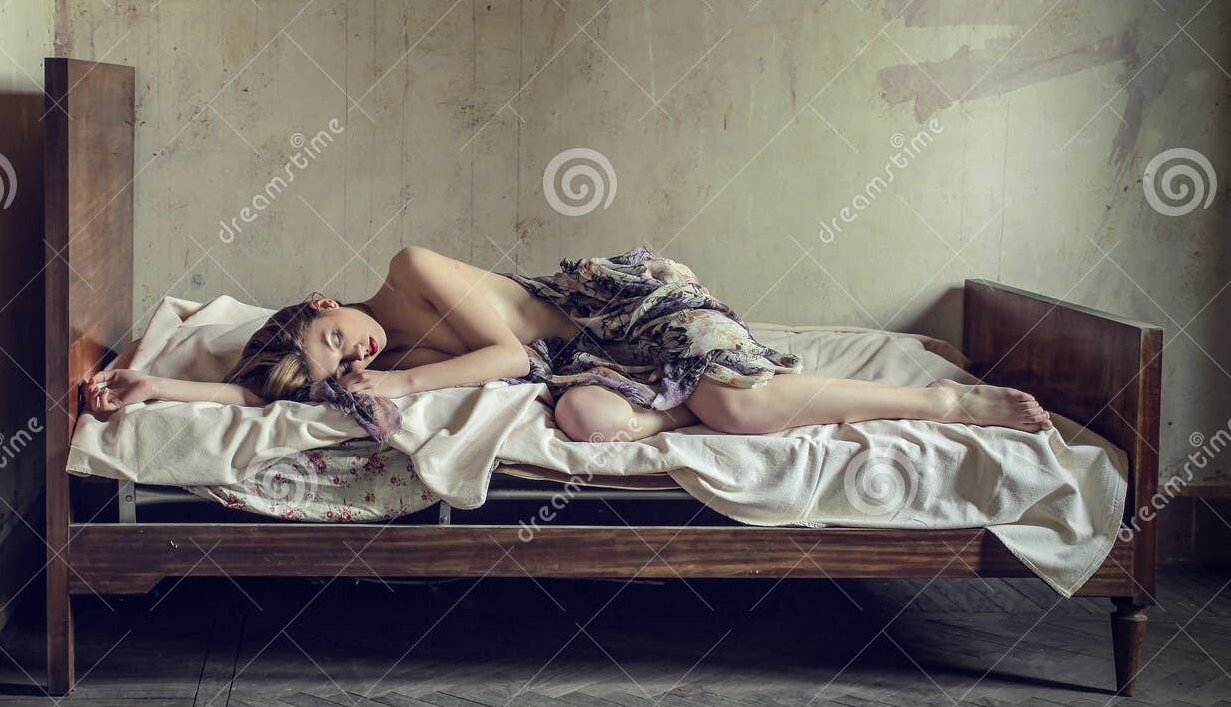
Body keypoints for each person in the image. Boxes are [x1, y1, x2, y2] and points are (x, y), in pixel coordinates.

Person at [80, 245, 1052, 441]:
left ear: (326, 296)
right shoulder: (374, 363)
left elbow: (507, 357)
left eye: (339, 335)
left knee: (732, 405)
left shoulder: (411, 267)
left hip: (625, 306)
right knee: (585, 420)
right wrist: (156, 384)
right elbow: (258, 401)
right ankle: (686, 399)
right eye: (346, 363)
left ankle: (941, 401)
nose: (360, 355)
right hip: (592, 367)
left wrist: (404, 392)